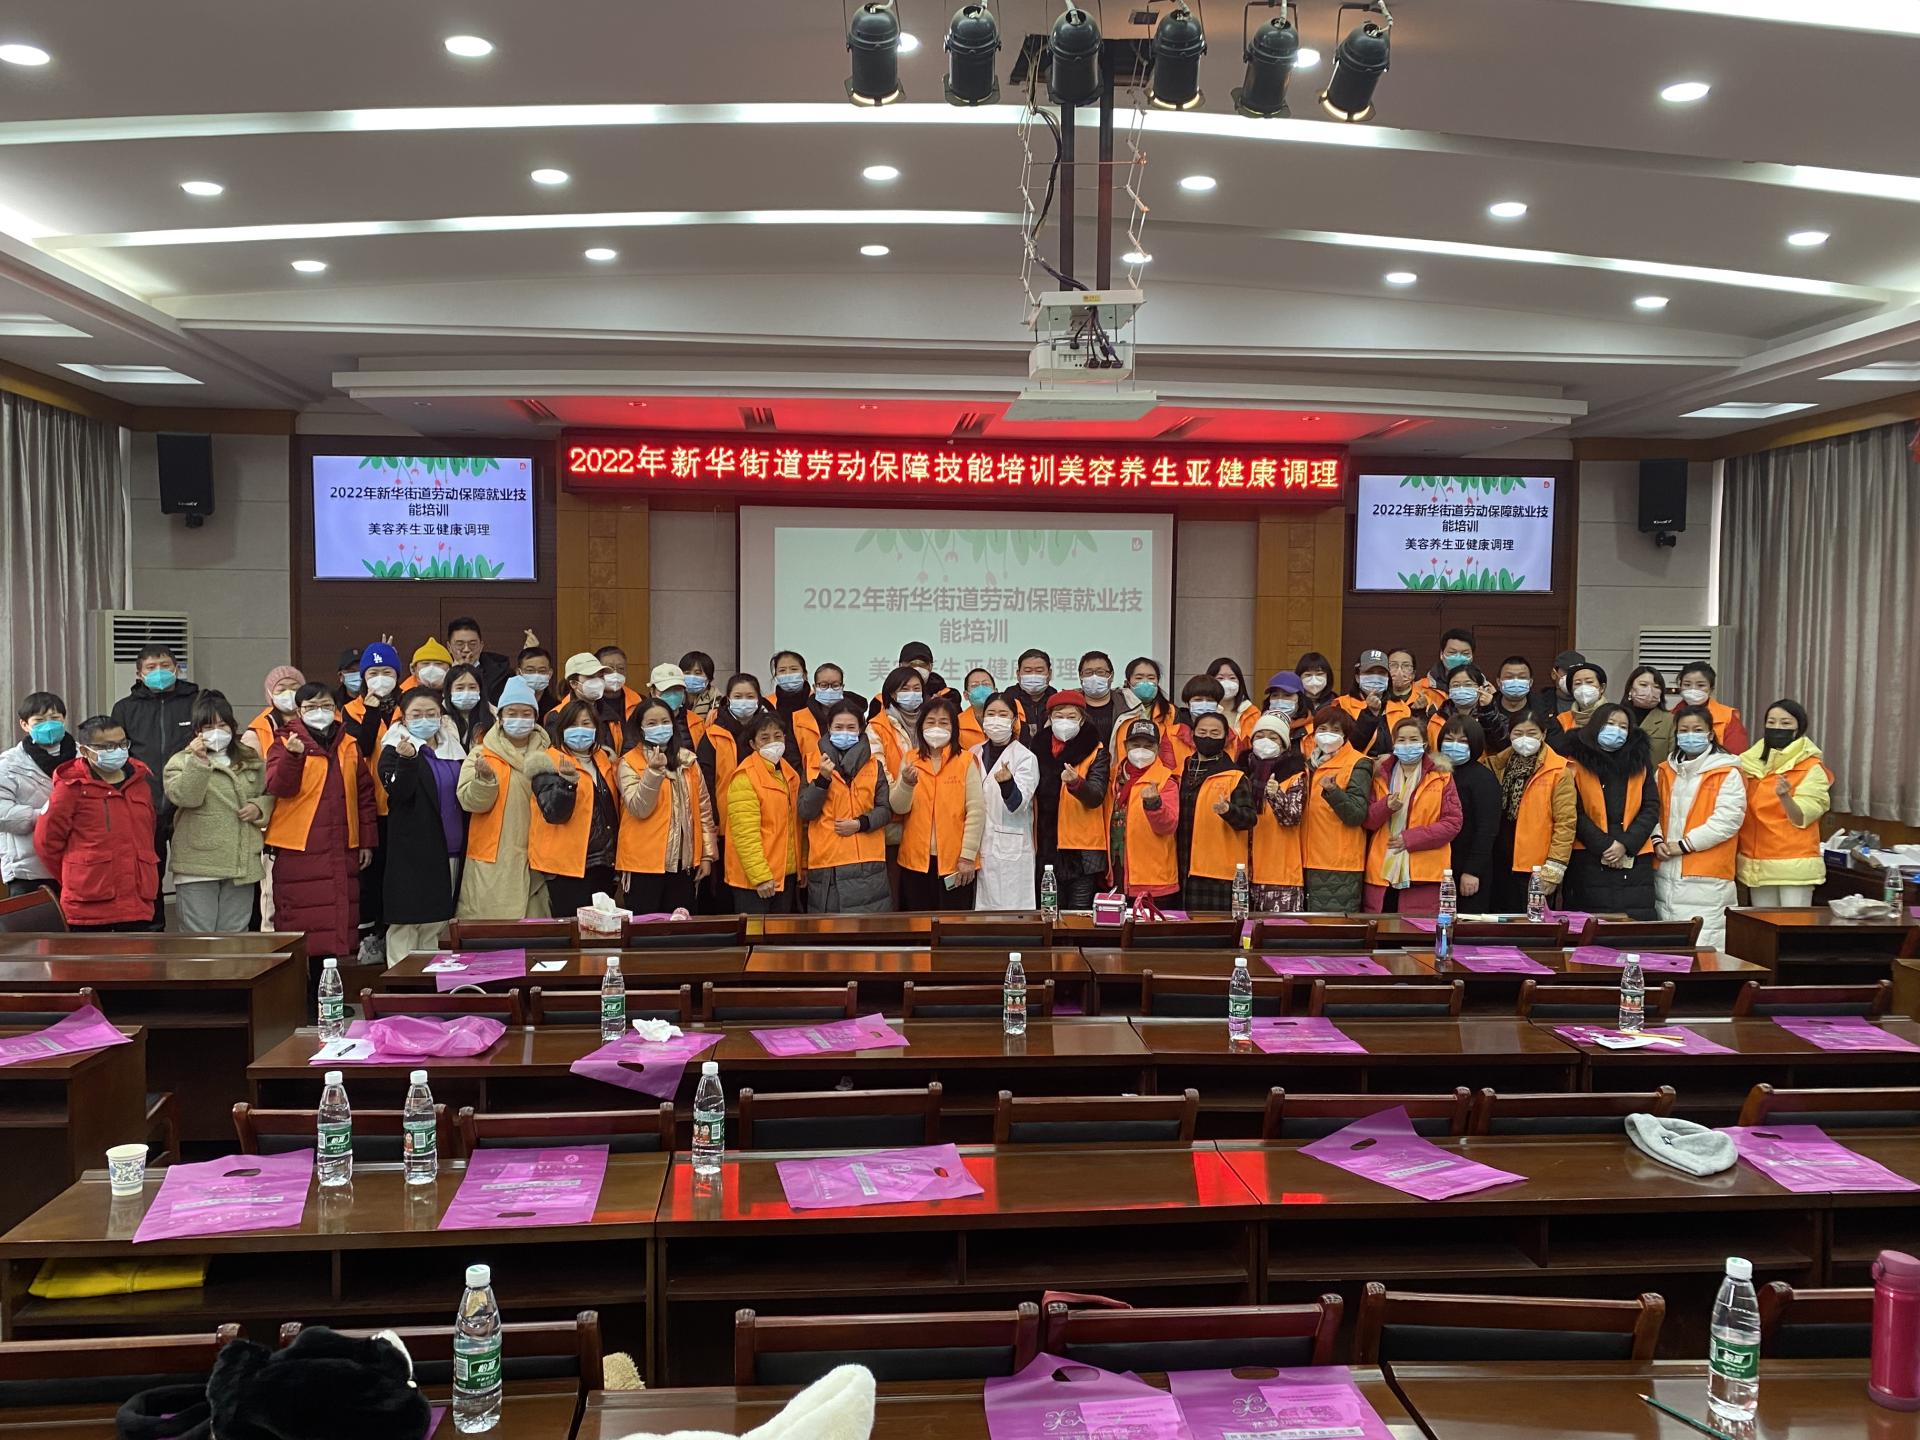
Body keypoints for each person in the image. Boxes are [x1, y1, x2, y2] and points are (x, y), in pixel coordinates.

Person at [263, 684, 377, 956]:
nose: (319, 712)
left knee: (340, 923)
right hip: (298, 848)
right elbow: (279, 787)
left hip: (343, 845)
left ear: (335, 709)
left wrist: (366, 842)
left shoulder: (348, 743)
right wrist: (292, 756)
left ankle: (332, 982)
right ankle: (305, 982)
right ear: (299, 711)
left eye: (326, 706)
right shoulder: (284, 742)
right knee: (302, 926)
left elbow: (364, 795)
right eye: (311, 707)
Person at [36, 715, 158, 929]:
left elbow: (148, 832)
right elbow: (46, 842)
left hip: (137, 903)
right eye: (108, 746)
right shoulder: (71, 788)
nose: (118, 751)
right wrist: (77, 873)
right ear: (85, 751)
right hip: (88, 906)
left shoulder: (139, 782)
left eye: (122, 744)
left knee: (138, 952)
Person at [163, 690, 269, 933]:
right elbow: (185, 797)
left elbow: (270, 793)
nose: (217, 732)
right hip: (198, 865)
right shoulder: (181, 761)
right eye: (208, 727)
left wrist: (259, 807)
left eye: (222, 725)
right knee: (199, 936)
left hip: (241, 862)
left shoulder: (250, 759)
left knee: (236, 934)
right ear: (196, 731)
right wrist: (198, 761)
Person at [110, 644, 199, 928]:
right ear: (139, 674)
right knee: (148, 874)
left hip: (189, 804)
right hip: (144, 805)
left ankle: (195, 932)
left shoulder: (197, 702)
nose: (159, 671)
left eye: (165, 665)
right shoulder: (125, 708)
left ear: (177, 668)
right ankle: (154, 932)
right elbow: (117, 755)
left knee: (195, 874)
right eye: (151, 667)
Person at [376, 688, 465, 962]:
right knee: (407, 922)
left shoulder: (454, 748)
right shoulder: (394, 749)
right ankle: (402, 981)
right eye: (416, 714)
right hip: (412, 849)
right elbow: (398, 792)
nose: (424, 719)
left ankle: (427, 981)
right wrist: (407, 760)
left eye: (431, 713)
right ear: (404, 718)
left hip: (450, 847)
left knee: (436, 922)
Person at [456, 675, 552, 921]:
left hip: (539, 853)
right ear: (499, 717)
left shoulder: (550, 755)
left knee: (536, 930)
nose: (519, 719)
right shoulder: (481, 754)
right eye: (512, 713)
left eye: (526, 713)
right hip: (496, 856)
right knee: (493, 930)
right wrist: (485, 780)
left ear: (535, 717)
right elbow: (469, 802)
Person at [1653, 704, 1748, 949]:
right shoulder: (1664, 771)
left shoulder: (1727, 772)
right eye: (1684, 730)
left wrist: (1685, 845)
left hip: (1707, 873)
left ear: (1710, 734)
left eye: (1697, 729)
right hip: (1665, 870)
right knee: (1668, 947)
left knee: (1707, 947)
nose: (1690, 735)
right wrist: (1657, 840)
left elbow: (1728, 820)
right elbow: (1651, 811)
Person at [616, 695, 716, 915]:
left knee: (679, 928)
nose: (660, 727)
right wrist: (653, 772)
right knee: (645, 929)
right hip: (643, 865)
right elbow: (638, 808)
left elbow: (704, 810)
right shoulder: (628, 763)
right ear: (640, 728)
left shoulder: (688, 760)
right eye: (652, 723)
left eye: (665, 721)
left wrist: (707, 855)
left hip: (683, 864)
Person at [1562, 704, 1660, 920]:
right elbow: (1571, 810)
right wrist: (1606, 846)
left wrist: (1624, 844)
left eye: (1623, 726)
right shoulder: (1572, 761)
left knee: (1635, 926)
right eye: (1610, 723)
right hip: (1588, 856)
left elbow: (1651, 806)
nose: (1616, 730)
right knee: (1589, 928)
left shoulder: (1640, 762)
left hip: (1635, 860)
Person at [529, 697, 622, 918]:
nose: (580, 730)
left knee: (601, 929)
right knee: (571, 928)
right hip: (566, 867)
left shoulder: (603, 759)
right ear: (561, 729)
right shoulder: (548, 761)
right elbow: (554, 813)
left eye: (586, 723)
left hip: (603, 863)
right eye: (572, 724)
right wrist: (568, 783)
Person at [890, 693, 982, 910]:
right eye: (930, 722)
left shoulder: (965, 760)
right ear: (921, 726)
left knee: (953, 924)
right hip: (915, 861)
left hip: (955, 861)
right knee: (917, 924)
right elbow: (898, 807)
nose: (936, 728)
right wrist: (906, 784)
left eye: (943, 722)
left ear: (954, 728)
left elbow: (976, 811)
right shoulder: (911, 758)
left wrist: (968, 856)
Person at [1362, 714, 1462, 915]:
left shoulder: (1441, 777)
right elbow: (1368, 821)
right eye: (1401, 740)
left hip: (1424, 872)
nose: (1407, 745)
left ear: (1424, 743)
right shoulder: (1379, 776)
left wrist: (1410, 839)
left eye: (1413, 739)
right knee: (1382, 928)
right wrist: (1386, 807)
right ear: (1394, 744)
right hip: (1382, 871)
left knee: (1416, 930)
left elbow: (1453, 823)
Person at [796, 698, 889, 913]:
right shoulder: (812, 762)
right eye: (838, 727)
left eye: (851, 727)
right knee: (829, 931)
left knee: (870, 930)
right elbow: (805, 811)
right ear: (829, 728)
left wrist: (860, 824)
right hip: (826, 863)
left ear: (861, 729)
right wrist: (822, 779)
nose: (844, 732)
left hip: (868, 861)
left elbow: (885, 810)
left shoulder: (874, 765)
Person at [1736, 699, 1832, 907]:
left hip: (1793, 864)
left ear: (1799, 728)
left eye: (1785, 723)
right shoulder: (1747, 763)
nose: (1777, 727)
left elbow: (1802, 817)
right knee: (1763, 924)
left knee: (1792, 924)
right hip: (1756, 861)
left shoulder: (1811, 767)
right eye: (1771, 722)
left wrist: (1785, 797)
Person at [1484, 712, 1575, 913]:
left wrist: (1553, 870)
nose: (1524, 738)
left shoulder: (1558, 770)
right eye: (1518, 733)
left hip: (1536, 869)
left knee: (1534, 926)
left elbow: (1565, 824)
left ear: (1543, 734)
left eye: (1532, 733)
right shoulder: (1496, 765)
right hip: (1499, 863)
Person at [1175, 709, 1258, 912]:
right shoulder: (1180, 771)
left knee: (1217, 928)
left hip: (1218, 874)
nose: (1207, 737)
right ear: (1193, 735)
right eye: (1202, 732)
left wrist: (1229, 810)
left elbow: (1249, 819)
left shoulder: (1234, 776)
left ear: (1226, 738)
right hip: (1179, 867)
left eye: (1215, 733)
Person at [1035, 690, 1111, 908]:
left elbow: (1096, 796)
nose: (1064, 721)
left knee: (1079, 916)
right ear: (1050, 719)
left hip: (1082, 849)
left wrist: (1077, 783)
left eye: (1071, 716)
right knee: (1049, 913)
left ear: (1082, 720)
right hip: (1046, 846)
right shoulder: (1037, 748)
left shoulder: (1096, 751)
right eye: (1059, 716)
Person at [724, 707, 801, 913]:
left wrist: (801, 867)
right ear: (753, 744)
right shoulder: (745, 777)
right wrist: (760, 876)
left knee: (780, 933)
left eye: (778, 736)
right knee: (755, 932)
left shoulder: (790, 774)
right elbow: (745, 834)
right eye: (764, 738)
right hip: (756, 881)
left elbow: (797, 825)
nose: (773, 742)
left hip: (786, 874)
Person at [1299, 705, 1374, 912]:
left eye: (1335, 730)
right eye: (1322, 729)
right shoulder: (1308, 764)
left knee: (1334, 926)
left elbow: (1357, 814)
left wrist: (1333, 791)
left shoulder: (1358, 763)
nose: (1327, 735)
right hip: (1304, 859)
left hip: (1339, 864)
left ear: (1345, 735)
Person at [972, 692, 1039, 909]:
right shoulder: (973, 753)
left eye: (1003, 714)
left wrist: (1007, 784)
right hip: (977, 845)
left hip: (1011, 849)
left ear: (1014, 720)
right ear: (982, 718)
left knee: (1012, 912)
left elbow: (1018, 805)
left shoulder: (1025, 757)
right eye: (991, 713)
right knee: (980, 914)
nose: (996, 719)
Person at [1, 693, 70, 898]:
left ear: (64, 720)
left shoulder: (83, 757)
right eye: (39, 720)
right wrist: (49, 817)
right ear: (24, 725)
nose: (48, 725)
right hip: (28, 869)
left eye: (54, 718)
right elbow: (2, 813)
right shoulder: (9, 763)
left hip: (76, 863)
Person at [1107, 716, 1180, 903]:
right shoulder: (1113, 776)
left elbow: (1168, 826)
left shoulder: (1165, 779)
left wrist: (1154, 804)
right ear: (1125, 746)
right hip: (1115, 872)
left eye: (1148, 746)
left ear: (1159, 749)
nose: (1141, 751)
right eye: (1135, 745)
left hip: (1153, 878)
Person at [1244, 710, 1307, 913]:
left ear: (1284, 744)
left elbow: (1292, 818)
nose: (1265, 741)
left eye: (1273, 738)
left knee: (1279, 930)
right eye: (1260, 736)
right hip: (1243, 873)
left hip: (1281, 874)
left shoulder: (1295, 775)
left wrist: (1275, 794)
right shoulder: (1242, 773)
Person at [1438, 716, 1500, 907]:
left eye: (1463, 741)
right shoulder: (1435, 773)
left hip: (1468, 869)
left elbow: (1487, 829)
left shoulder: (1483, 779)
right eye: (1449, 739)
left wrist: (1472, 870)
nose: (1454, 745)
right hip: (1437, 866)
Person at [1113, 657, 1188, 768]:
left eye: (1151, 678)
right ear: (1127, 682)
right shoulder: (1116, 708)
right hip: (1122, 772)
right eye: (1139, 678)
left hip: (1160, 773)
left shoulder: (1170, 711)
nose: (1145, 682)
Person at [1338, 649, 1408, 759]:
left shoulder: (1401, 707)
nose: (1376, 677)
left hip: (1394, 766)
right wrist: (1369, 714)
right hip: (1356, 766)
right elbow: (1346, 746)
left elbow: (1410, 744)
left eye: (1381, 673)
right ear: (1357, 677)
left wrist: (1391, 759)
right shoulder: (1342, 705)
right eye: (1369, 672)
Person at [1425, 664, 1509, 755]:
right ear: (1449, 689)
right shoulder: (1437, 718)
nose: (1461, 689)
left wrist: (1488, 712)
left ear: (1480, 688)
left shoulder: (1494, 718)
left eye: (1468, 685)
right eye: (1456, 685)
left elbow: (1501, 746)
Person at [447, 617, 530, 701]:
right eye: (460, 644)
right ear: (449, 647)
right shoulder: (443, 672)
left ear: (481, 646)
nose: (466, 649)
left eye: (472, 644)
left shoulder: (502, 673)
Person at [561, 652, 628, 753]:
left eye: (600, 676)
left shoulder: (611, 715)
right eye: (590, 677)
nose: (597, 681)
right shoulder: (559, 715)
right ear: (573, 683)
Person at [1676, 662, 1750, 753]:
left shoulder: (1727, 716)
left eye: (1701, 685)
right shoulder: (1671, 716)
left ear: (1711, 689)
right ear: (1680, 687)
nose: (1693, 689)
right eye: (1687, 685)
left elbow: (1736, 753)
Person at [769, 650, 822, 769]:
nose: (788, 674)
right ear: (776, 675)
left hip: (813, 768)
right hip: (776, 767)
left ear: (804, 674)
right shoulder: (768, 704)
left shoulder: (817, 702)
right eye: (782, 670)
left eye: (794, 669)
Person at [1548, 662, 1609, 753]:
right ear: (1572, 691)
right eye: (1577, 683)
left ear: (1602, 688)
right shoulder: (1562, 719)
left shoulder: (1613, 716)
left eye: (1589, 682)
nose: (1583, 687)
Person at [1622, 664, 1676, 767]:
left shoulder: (1670, 721)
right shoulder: (1614, 716)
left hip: (1655, 776)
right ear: (1630, 689)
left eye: (1656, 687)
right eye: (1643, 685)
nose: (1650, 690)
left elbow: (1673, 759)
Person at [247, 665, 304, 757]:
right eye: (281, 690)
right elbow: (250, 762)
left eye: (295, 689)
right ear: (270, 694)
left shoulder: (316, 720)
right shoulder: (258, 729)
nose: (289, 694)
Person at [1420, 628, 1479, 704]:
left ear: (1472, 656)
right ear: (1441, 654)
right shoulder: (1422, 687)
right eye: (1452, 652)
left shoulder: (1487, 688)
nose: (1458, 658)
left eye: (1465, 653)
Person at [443, 662, 494, 749]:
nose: (466, 692)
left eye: (472, 687)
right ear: (449, 690)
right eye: (460, 688)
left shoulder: (496, 716)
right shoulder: (438, 717)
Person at [1209, 656, 1257, 749]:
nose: (1227, 683)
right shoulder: (1203, 711)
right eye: (1220, 678)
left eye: (1232, 678)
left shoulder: (1252, 713)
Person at [1010, 649, 1055, 746]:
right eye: (1028, 671)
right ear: (1018, 674)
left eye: (1039, 671)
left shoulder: (1057, 700)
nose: (1033, 675)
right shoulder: (1008, 699)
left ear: (1049, 674)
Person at [807, 662, 864, 733]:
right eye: (823, 685)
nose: (829, 690)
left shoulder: (856, 714)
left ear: (842, 687)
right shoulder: (800, 716)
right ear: (815, 688)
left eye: (835, 685)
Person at [1077, 650, 1120, 745]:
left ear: (1111, 676)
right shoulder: (1068, 705)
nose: (1094, 677)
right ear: (1080, 677)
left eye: (1100, 672)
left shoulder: (1128, 706)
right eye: (1088, 672)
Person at [1493, 655, 1541, 732]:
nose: (1516, 681)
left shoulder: (1544, 710)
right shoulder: (1487, 709)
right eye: (1509, 677)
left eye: (1522, 677)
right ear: (1499, 682)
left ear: (1530, 682)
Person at [679, 649, 718, 742]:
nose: (692, 677)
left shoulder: (717, 703)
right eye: (687, 673)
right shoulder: (676, 700)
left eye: (698, 673)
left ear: (708, 677)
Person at [1262, 670, 1310, 745]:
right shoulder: (1260, 726)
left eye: (1287, 695)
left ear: (1300, 699)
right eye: (1275, 695)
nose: (1280, 700)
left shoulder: (1311, 730)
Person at [514, 646, 558, 721]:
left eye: (542, 671)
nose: (536, 675)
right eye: (530, 670)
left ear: (550, 674)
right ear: (519, 673)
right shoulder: (509, 705)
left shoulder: (557, 708)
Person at [596, 645, 640, 720]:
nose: (615, 673)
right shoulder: (589, 703)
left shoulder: (639, 701)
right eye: (609, 669)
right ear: (597, 672)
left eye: (620, 668)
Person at [957, 668, 997, 750]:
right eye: (974, 685)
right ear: (966, 695)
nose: (981, 689)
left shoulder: (1007, 718)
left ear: (995, 691)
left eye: (986, 684)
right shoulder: (957, 723)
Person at [1542, 648, 1586, 720]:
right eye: (1567, 672)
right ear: (1554, 674)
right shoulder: (1540, 703)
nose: (1572, 676)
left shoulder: (1591, 703)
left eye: (1577, 672)